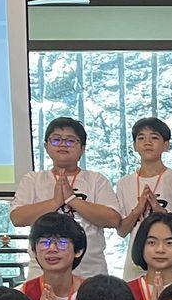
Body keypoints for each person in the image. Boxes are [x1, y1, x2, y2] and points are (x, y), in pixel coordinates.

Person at [11, 116, 121, 277]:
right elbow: (17, 218)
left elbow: (113, 219)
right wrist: (55, 202)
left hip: (90, 271)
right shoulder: (33, 179)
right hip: (42, 272)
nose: (63, 144)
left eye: (70, 141)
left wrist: (72, 200)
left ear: (82, 149)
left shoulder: (96, 180)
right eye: (56, 140)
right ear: (46, 146)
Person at [113, 117, 172, 274]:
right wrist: (137, 210)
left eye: (154, 137)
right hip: (135, 262)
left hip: (171, 260)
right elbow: (121, 231)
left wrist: (160, 212)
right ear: (135, 146)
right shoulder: (124, 183)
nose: (147, 142)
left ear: (166, 145)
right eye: (141, 138)